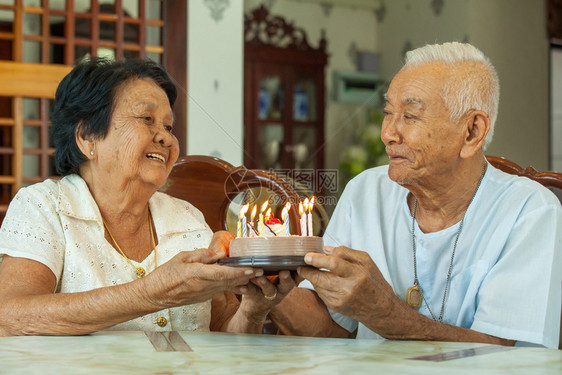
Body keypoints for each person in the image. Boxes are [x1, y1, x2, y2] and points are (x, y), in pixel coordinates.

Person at [269, 42, 562, 349]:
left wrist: (385, 312)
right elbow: (329, 327)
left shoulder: (530, 212)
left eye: (410, 116)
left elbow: (507, 358)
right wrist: (269, 292)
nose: (388, 134)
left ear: (472, 132)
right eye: (388, 113)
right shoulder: (366, 191)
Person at [0, 58, 297, 335]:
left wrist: (254, 311)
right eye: (146, 119)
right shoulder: (44, 207)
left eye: (168, 126)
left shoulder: (187, 219)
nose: (165, 137)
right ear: (87, 137)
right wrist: (152, 292)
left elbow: (223, 331)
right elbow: (10, 315)